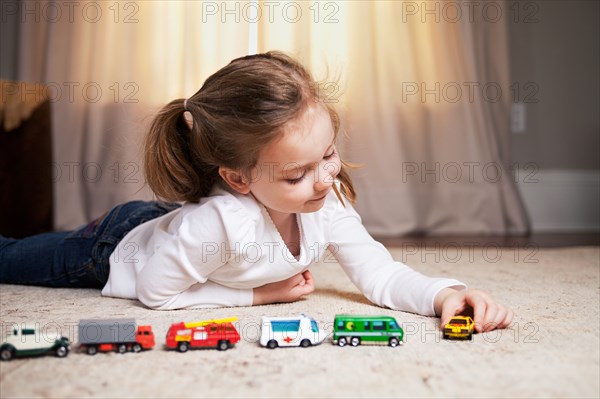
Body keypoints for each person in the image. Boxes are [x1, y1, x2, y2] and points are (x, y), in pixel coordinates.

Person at [0, 51, 512, 332]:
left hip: (180, 233)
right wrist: (258, 295)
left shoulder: (325, 200)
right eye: (296, 175)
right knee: (13, 258)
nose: (325, 179)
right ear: (238, 178)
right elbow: (157, 293)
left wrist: (445, 292)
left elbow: (379, 273)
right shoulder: (221, 223)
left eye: (329, 154)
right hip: (117, 246)